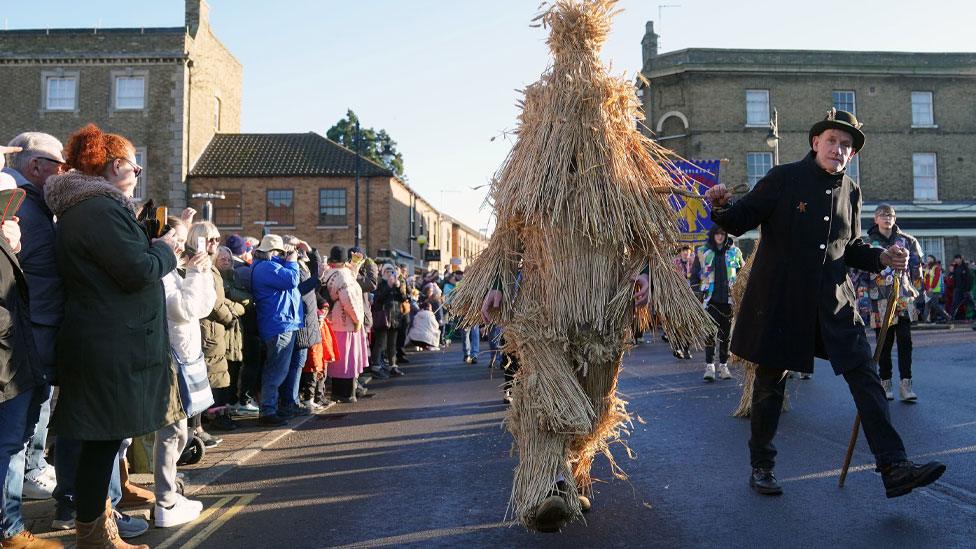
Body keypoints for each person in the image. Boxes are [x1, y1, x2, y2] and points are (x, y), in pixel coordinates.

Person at [705, 109, 945, 498]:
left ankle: (894, 467)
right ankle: (761, 466)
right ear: (815, 142)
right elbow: (738, 219)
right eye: (832, 141)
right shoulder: (784, 178)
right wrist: (719, 205)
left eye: (846, 145)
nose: (839, 149)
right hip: (782, 301)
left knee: (866, 377)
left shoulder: (851, 191)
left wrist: (881, 258)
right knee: (770, 383)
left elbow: (848, 249)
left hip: (834, 303)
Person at [45, 123, 179, 548]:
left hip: (104, 335)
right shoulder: (98, 209)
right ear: (115, 165)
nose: (137, 174)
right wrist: (166, 249)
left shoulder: (92, 207)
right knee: (101, 441)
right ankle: (96, 535)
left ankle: (96, 526)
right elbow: (137, 270)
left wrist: (143, 235)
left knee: (102, 440)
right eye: (134, 166)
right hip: (109, 340)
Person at [0, 144, 64, 549]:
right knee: (11, 440)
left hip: (20, 335)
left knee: (18, 434)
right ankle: (8, 529)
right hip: (13, 341)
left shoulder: (33, 212)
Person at [155, 216, 212, 527]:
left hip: (185, 355)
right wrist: (193, 272)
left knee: (178, 429)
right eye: (177, 238)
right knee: (171, 431)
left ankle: (168, 493)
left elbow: (204, 305)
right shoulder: (162, 271)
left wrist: (199, 273)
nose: (182, 245)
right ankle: (165, 501)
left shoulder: (172, 269)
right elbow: (181, 310)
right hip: (169, 357)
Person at [250, 234, 318, 425]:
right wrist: (292, 261)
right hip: (278, 325)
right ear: (271, 252)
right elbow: (291, 280)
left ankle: (272, 408)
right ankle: (268, 411)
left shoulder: (270, 265)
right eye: (279, 252)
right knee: (275, 371)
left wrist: (296, 256)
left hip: (283, 323)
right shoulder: (265, 267)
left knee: (278, 369)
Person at [864, 205, 922, 402]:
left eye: (890, 215)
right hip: (878, 297)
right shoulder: (868, 242)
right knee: (885, 343)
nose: (887, 218)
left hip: (903, 297)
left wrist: (916, 292)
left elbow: (917, 269)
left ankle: (906, 384)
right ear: (875, 219)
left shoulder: (907, 241)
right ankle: (885, 382)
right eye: (883, 215)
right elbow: (859, 272)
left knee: (905, 340)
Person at [691, 226, 743, 382]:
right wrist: (696, 293)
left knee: (726, 336)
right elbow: (694, 276)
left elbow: (743, 273)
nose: (720, 236)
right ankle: (709, 367)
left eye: (722, 233)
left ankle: (723, 366)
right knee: (710, 334)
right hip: (710, 301)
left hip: (728, 301)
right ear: (713, 235)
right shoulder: (702, 252)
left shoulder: (735, 252)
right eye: (717, 233)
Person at [323, 247, 367, 403]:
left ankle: (338, 391)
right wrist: (357, 320)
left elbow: (350, 276)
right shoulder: (343, 275)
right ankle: (346, 393)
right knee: (347, 359)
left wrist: (355, 265)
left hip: (332, 321)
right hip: (345, 322)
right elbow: (349, 300)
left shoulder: (329, 273)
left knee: (337, 359)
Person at [369, 263, 407, 377]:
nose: (390, 273)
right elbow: (378, 298)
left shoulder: (397, 284)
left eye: (392, 271)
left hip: (395, 317)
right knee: (380, 343)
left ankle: (393, 366)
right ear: (383, 272)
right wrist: (388, 286)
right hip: (383, 318)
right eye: (387, 271)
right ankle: (376, 366)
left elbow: (404, 299)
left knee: (392, 344)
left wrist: (399, 288)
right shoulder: (380, 284)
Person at [921, 255, 950, 323]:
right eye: (927, 259)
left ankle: (947, 316)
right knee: (927, 305)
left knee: (935, 305)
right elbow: (926, 279)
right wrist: (926, 288)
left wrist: (932, 287)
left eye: (929, 259)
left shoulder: (936, 268)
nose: (928, 260)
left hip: (934, 290)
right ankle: (926, 320)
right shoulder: (927, 268)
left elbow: (936, 278)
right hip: (928, 290)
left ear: (933, 260)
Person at [948, 254, 973, 320]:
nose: (956, 260)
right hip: (957, 289)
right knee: (954, 303)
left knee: (971, 303)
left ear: (961, 259)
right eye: (955, 259)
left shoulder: (965, 267)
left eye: (957, 259)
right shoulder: (956, 267)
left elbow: (969, 279)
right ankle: (951, 317)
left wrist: (967, 289)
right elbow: (953, 277)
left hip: (965, 290)